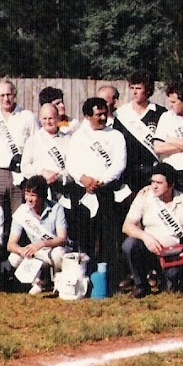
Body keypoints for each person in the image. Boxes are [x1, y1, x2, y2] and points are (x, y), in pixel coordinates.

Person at [66, 97, 128, 276]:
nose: (102, 118)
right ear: (87, 116)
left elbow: (119, 164)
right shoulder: (79, 136)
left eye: (104, 114)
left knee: (108, 236)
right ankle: (84, 273)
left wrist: (101, 181)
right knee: (85, 235)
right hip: (83, 190)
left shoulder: (116, 136)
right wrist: (83, 178)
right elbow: (71, 163)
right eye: (98, 115)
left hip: (106, 190)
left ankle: (109, 276)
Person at [122, 162, 183, 297]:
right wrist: (145, 237)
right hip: (149, 250)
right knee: (129, 245)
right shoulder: (145, 196)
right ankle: (141, 286)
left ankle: (170, 280)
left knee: (173, 291)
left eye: (159, 183)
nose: (154, 186)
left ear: (171, 185)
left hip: (173, 254)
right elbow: (127, 226)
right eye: (153, 182)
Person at [0, 79, 38, 248]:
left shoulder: (27, 116)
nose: (6, 99)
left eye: (9, 94)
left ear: (15, 95)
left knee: (22, 217)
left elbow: (36, 144)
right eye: (2, 95)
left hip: (21, 174)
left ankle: (20, 263)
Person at [7, 175, 70, 295]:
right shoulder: (22, 212)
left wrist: (42, 243)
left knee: (59, 253)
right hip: (35, 252)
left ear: (42, 196)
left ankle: (59, 281)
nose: (29, 199)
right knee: (13, 258)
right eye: (27, 194)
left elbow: (63, 239)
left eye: (33, 195)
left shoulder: (56, 208)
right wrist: (22, 251)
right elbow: (10, 245)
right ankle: (38, 282)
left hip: (53, 250)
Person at [113, 70, 166, 195]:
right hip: (128, 174)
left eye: (138, 88)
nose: (134, 92)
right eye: (132, 88)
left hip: (152, 172)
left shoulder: (160, 113)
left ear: (147, 89)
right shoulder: (121, 114)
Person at [21, 102, 72, 208]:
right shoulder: (33, 140)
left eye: (51, 118)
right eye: (44, 118)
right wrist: (42, 172)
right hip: (39, 194)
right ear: (39, 119)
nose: (47, 122)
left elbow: (74, 168)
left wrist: (59, 177)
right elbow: (25, 167)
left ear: (58, 118)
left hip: (63, 192)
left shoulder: (68, 139)